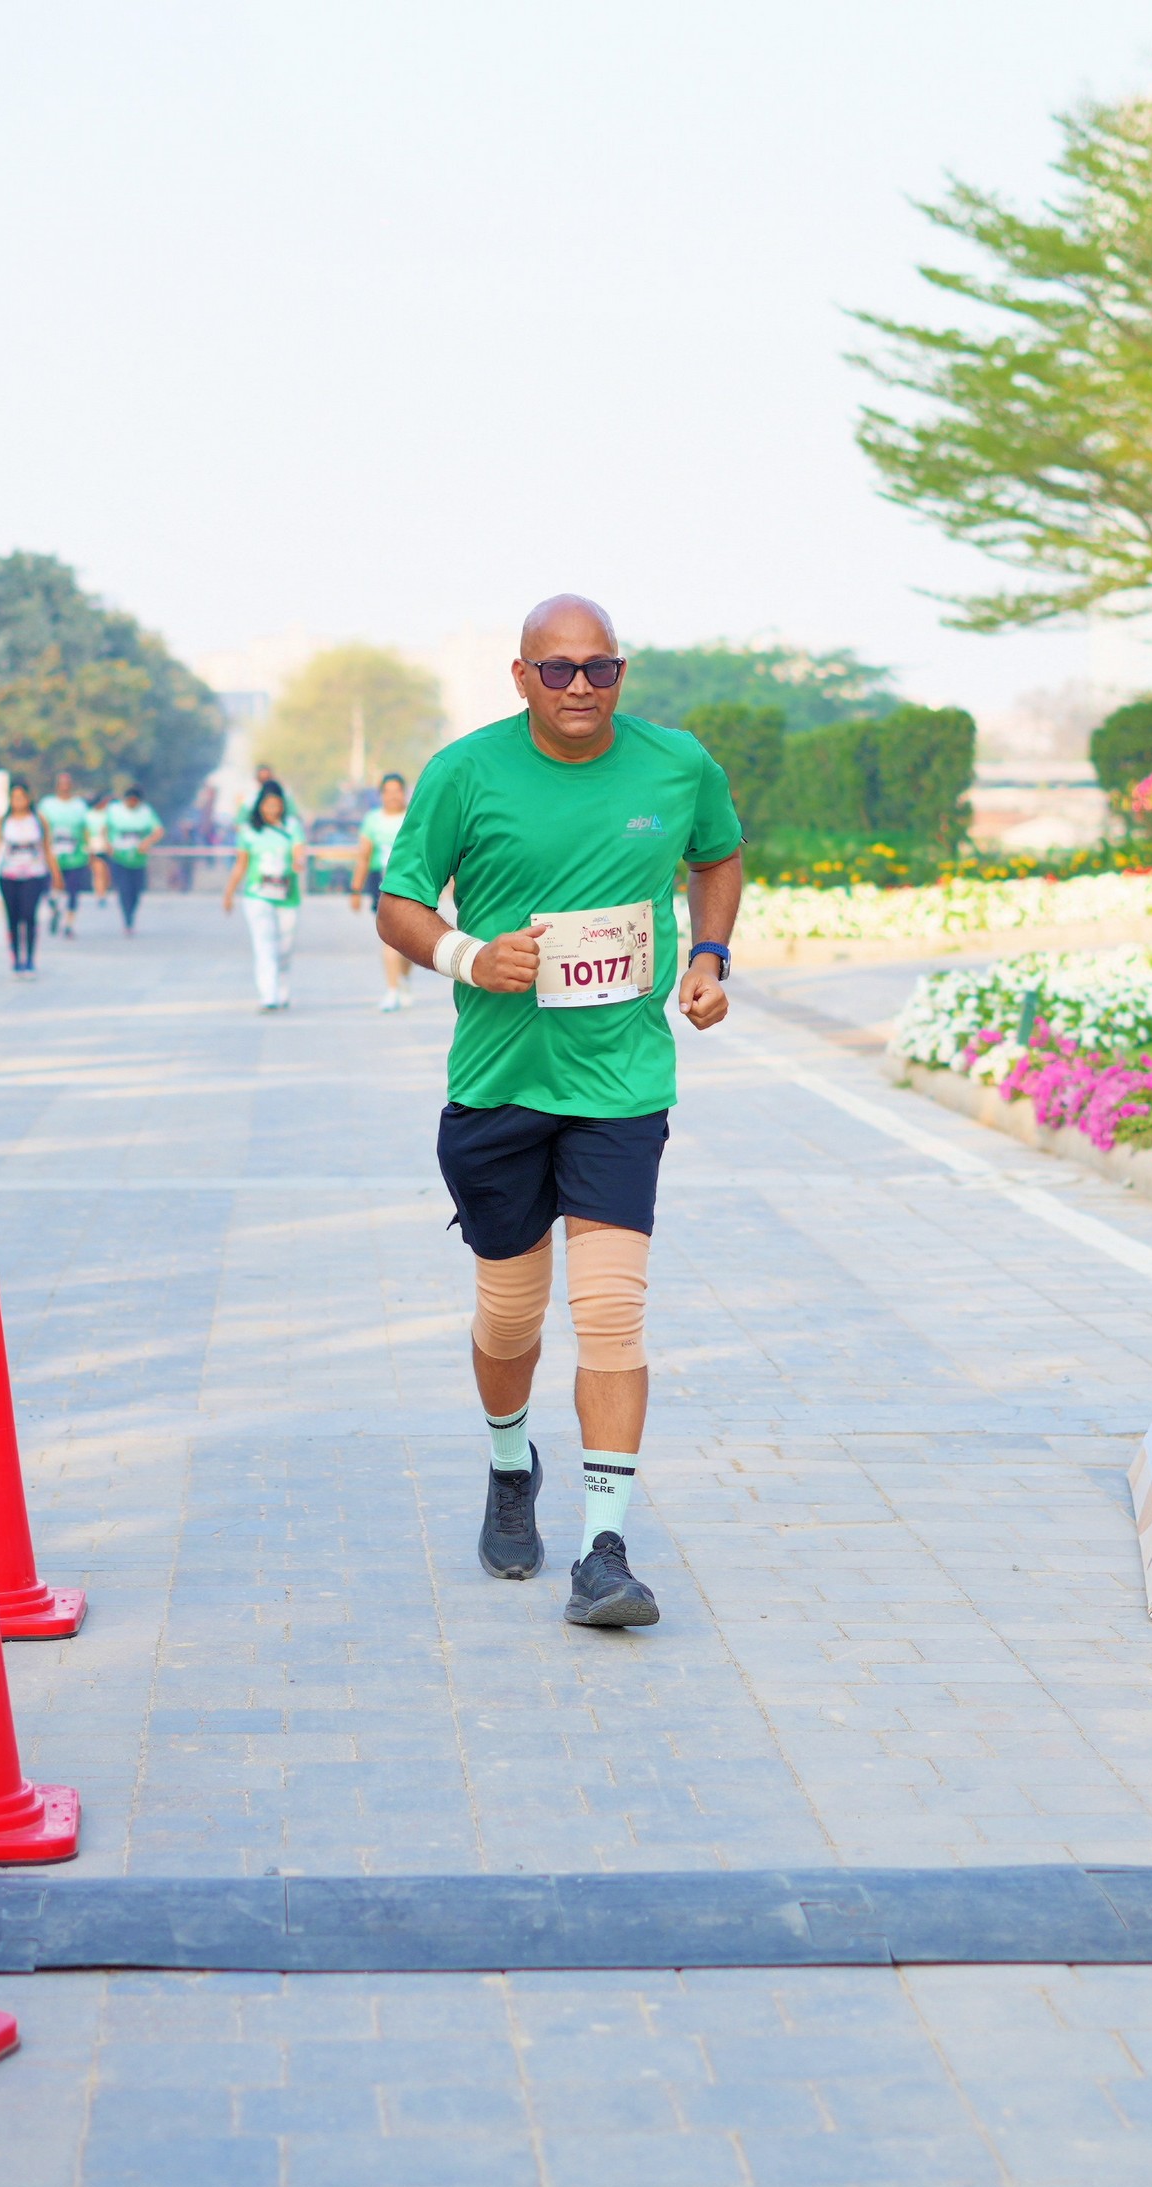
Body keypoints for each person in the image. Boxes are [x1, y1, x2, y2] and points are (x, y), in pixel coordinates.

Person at [375, 595, 742, 1631]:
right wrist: (469, 957)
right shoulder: (465, 772)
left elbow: (718, 854)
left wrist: (710, 956)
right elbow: (398, 904)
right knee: (510, 1317)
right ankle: (509, 1464)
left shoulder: (677, 764)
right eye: (559, 669)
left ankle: (604, 1552)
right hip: (497, 1086)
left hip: (620, 1086)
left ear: (622, 672)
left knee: (613, 1313)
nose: (581, 686)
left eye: (600, 668)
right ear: (522, 676)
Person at [221, 784, 310, 1010]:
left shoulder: (292, 826)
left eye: (276, 805)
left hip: (287, 895)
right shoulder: (249, 831)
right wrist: (229, 893)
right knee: (264, 944)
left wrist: (299, 862)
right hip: (257, 895)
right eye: (268, 805)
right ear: (260, 806)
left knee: (285, 946)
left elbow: (299, 851)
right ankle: (268, 995)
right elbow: (241, 864)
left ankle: (282, 984)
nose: (272, 810)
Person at [356, 771, 413, 1010]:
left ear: (404, 793)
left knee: (409, 942)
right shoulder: (373, 820)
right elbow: (364, 855)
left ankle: (403, 979)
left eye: (397, 791)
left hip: (412, 885)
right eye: (387, 792)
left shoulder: (414, 815)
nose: (392, 796)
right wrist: (355, 889)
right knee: (390, 937)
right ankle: (391, 991)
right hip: (381, 884)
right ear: (381, 795)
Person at [0, 779, 52, 974]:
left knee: (29, 915)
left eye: (22, 797)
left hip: (34, 874)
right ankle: (16, 957)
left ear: (28, 798)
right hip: (9, 875)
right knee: (13, 918)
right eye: (14, 797)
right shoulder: (4, 821)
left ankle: (30, 959)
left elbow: (47, 848)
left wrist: (55, 873)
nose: (18, 801)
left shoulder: (38, 820)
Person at [100, 782, 163, 935]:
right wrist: (107, 844)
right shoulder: (115, 810)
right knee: (124, 889)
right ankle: (127, 919)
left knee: (135, 891)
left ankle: (132, 914)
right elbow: (104, 829)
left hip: (138, 860)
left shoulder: (146, 812)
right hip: (119, 858)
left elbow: (159, 831)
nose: (132, 804)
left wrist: (148, 842)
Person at [41, 769, 97, 939]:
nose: (64, 787)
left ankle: (69, 924)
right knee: (51, 889)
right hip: (53, 857)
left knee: (73, 892)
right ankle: (54, 909)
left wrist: (89, 850)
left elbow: (86, 829)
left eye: (67, 784)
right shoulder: (47, 805)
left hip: (75, 857)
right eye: (62, 784)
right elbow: (41, 828)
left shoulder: (79, 806)